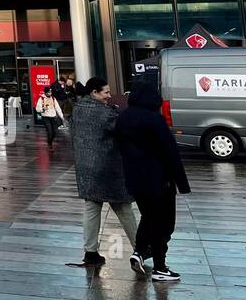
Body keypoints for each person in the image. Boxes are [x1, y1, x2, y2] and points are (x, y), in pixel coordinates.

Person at [116, 80, 191, 281]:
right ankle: (159, 266)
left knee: (149, 217)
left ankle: (139, 251)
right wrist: (182, 183)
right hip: (160, 180)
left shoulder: (123, 118)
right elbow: (170, 152)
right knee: (164, 223)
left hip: (135, 179)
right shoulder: (154, 119)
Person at [70, 77, 139, 267]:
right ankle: (141, 247)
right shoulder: (104, 113)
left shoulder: (78, 109)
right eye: (106, 92)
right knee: (123, 207)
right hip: (107, 168)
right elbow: (124, 130)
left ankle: (90, 252)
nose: (109, 96)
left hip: (85, 168)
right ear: (94, 92)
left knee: (91, 208)